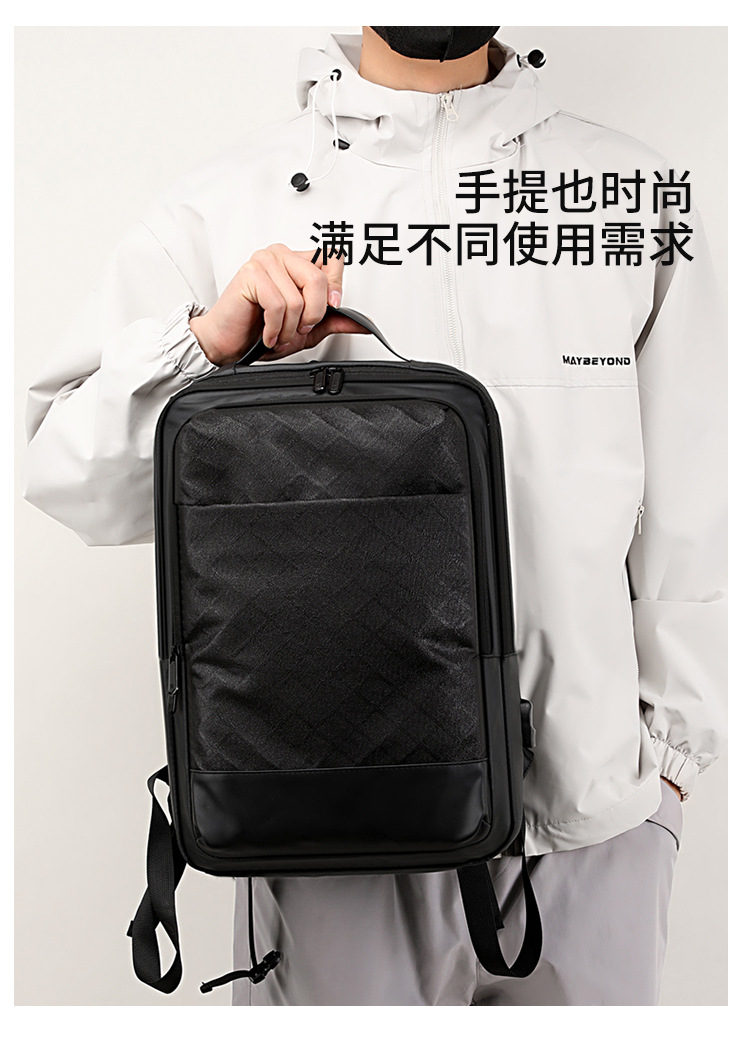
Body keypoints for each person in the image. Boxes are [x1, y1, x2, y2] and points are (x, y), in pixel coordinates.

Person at [24, 27, 726, 1006]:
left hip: (593, 829)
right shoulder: (226, 207)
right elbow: (65, 472)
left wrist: (671, 766)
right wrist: (204, 350)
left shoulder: (630, 198)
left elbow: (704, 493)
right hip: (329, 837)